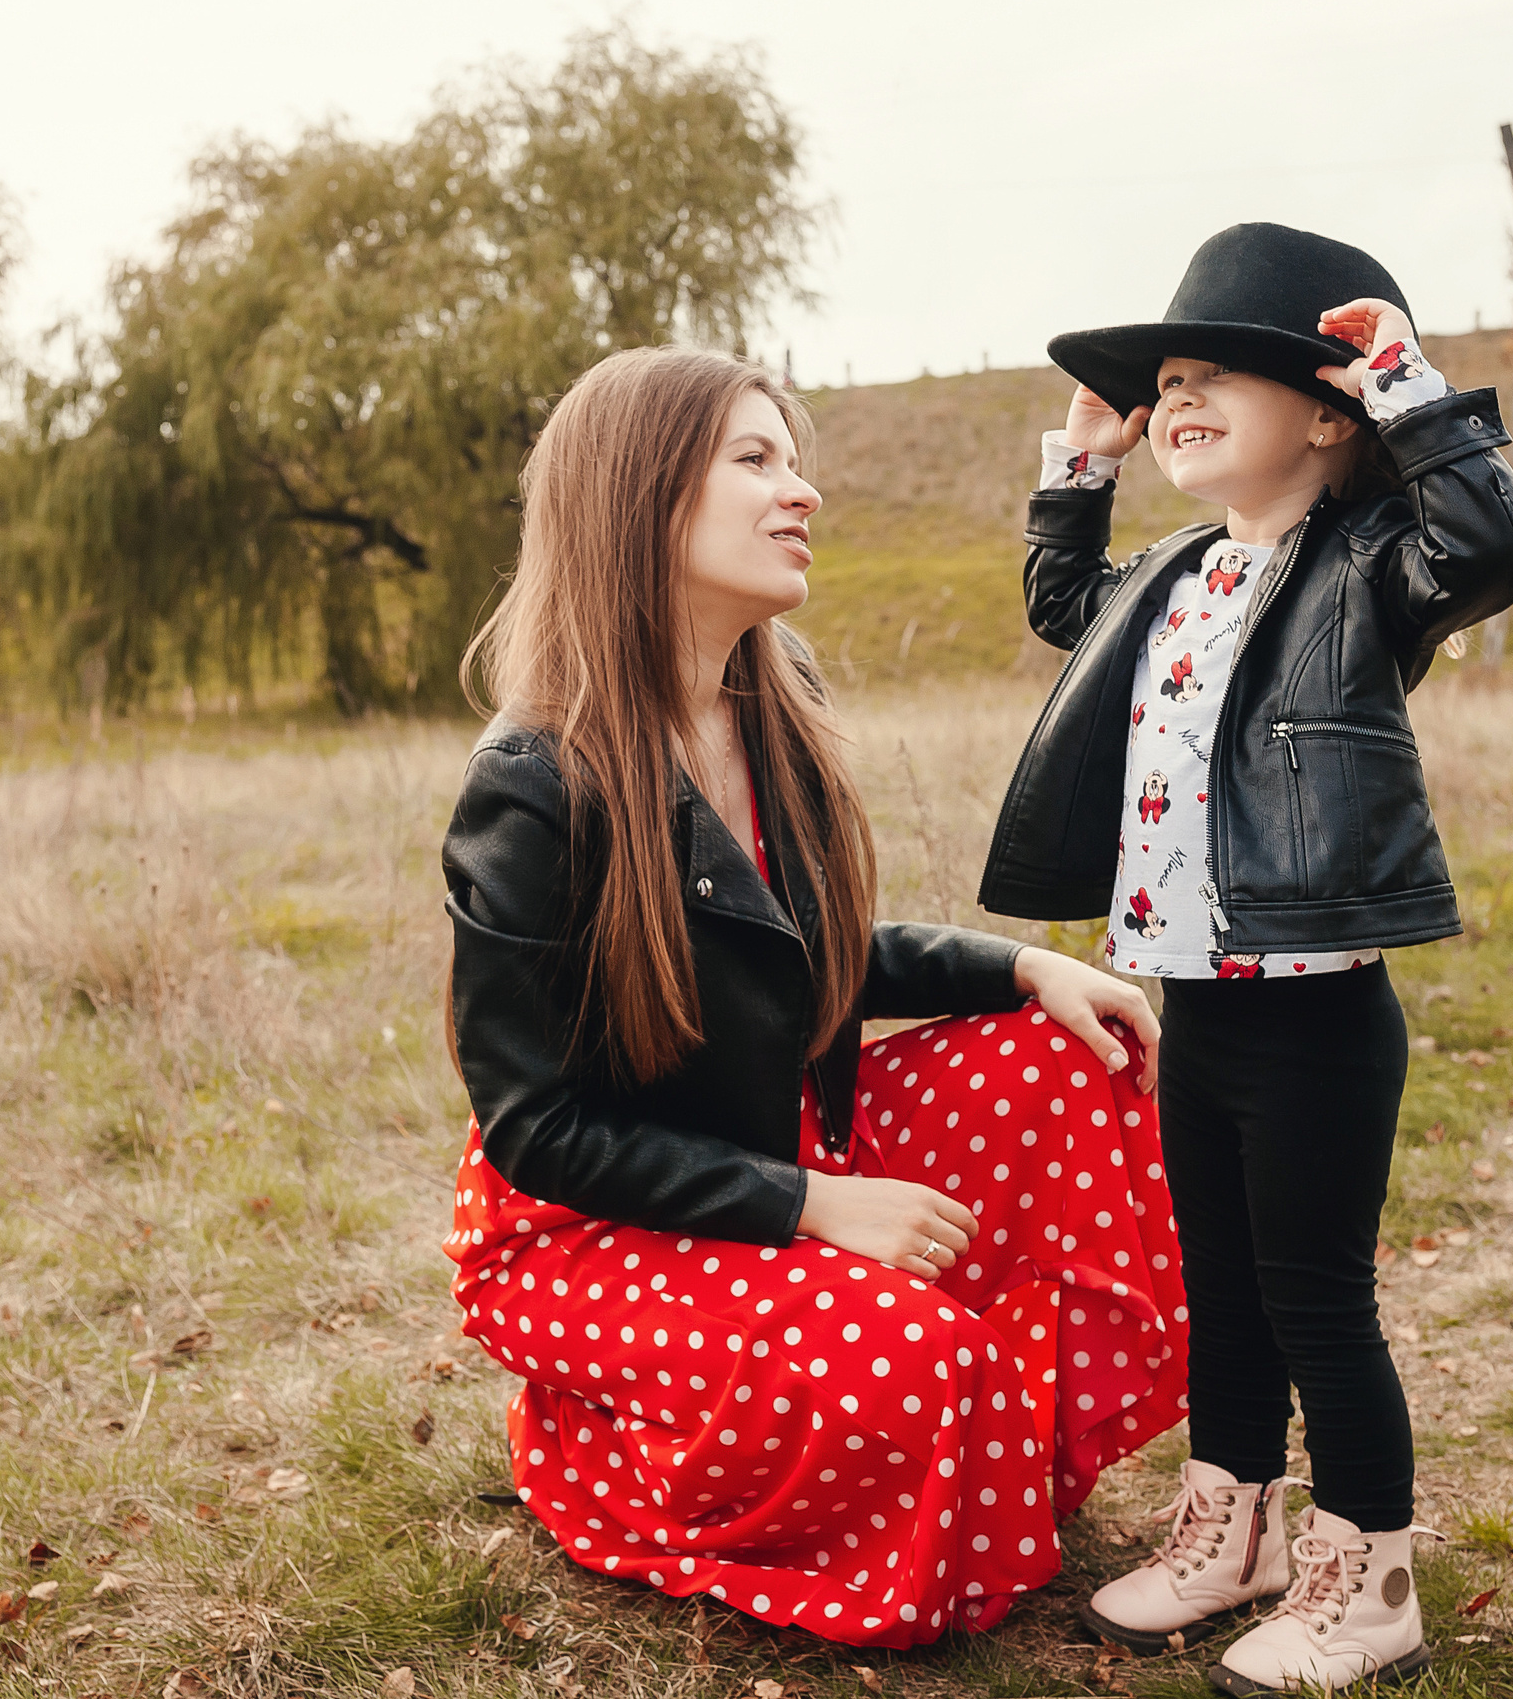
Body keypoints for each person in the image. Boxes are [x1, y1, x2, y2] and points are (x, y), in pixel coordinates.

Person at [441, 345, 1182, 1650]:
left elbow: (803, 948)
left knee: (1073, 1059)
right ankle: (607, 1438)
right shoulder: (535, 786)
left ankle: (993, 1470)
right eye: (756, 460)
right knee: (916, 1350)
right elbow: (537, 1136)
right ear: (642, 496)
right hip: (579, 1229)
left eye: (795, 458)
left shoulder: (775, 700)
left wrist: (1023, 965)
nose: (805, 494)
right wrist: (813, 1207)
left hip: (775, 1140)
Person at [975, 223, 1513, 1694]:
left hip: (1315, 1016)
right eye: (1168, 379)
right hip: (1198, 1007)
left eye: (1219, 374)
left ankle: (1375, 1582)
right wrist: (1081, 463)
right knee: (1218, 1288)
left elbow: (1486, 546)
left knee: (1314, 1296)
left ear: (1326, 417)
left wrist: (1418, 396)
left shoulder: (1366, 573)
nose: (1179, 397)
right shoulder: (1170, 572)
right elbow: (1059, 607)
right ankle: (1236, 1533)